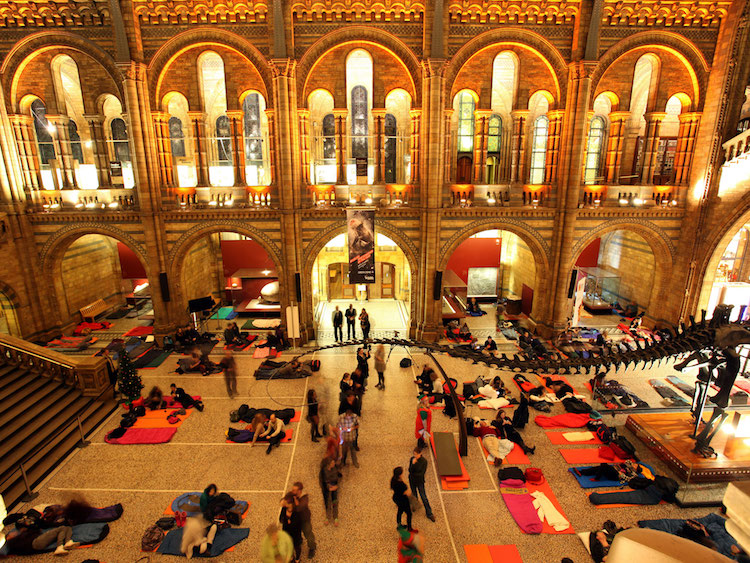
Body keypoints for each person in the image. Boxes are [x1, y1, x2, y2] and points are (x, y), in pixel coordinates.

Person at [5, 517, 78, 556]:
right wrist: (24, 532)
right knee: (61, 528)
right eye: (11, 534)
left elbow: (36, 532)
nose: (13, 533)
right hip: (35, 543)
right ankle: (60, 546)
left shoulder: (18, 538)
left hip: (37, 541)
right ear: (8, 537)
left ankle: (68, 542)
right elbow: (27, 543)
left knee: (67, 527)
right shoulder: (12, 542)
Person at [408, 447, 435, 522]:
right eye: (414, 454)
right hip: (412, 480)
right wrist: (413, 464)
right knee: (414, 494)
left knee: (424, 497)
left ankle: (429, 513)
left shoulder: (424, 462)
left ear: (420, 454)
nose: (415, 456)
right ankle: (414, 506)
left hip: (419, 481)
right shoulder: (412, 459)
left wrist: (413, 472)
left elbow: (421, 474)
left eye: (416, 454)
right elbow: (409, 470)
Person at [290, 482, 316, 559]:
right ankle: (300, 539)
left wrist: (294, 500)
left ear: (299, 491)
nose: (292, 491)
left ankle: (312, 547)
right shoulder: (294, 496)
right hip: (296, 520)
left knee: (308, 534)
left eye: (294, 490)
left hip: (304, 520)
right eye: (292, 490)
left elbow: (298, 508)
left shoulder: (304, 498)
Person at [279, 493, 303, 563]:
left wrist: (288, 521)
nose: (284, 504)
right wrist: (286, 520)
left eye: (286, 503)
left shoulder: (297, 512)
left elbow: (296, 524)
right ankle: (291, 557)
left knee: (297, 547)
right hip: (286, 532)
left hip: (295, 534)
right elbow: (280, 519)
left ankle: (297, 559)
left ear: (291, 504)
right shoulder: (284, 509)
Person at [390, 467, 414, 532]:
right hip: (403, 500)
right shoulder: (401, 484)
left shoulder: (393, 479)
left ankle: (399, 525)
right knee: (409, 513)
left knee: (400, 511)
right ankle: (409, 528)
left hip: (396, 498)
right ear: (400, 474)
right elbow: (407, 492)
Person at [320, 457, 340, 526]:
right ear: (329, 464)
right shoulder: (324, 470)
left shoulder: (334, 469)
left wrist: (335, 486)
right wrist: (329, 487)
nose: (334, 464)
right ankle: (327, 517)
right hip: (327, 488)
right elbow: (325, 480)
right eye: (332, 463)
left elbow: (336, 478)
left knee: (335, 502)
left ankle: (335, 518)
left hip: (334, 487)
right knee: (328, 503)